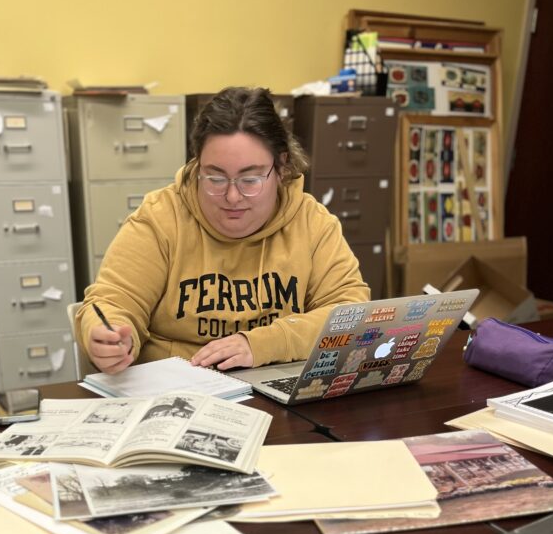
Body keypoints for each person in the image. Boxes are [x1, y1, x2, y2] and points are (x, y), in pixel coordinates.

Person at [76, 86, 370, 374]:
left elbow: (351, 313)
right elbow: (112, 302)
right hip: (178, 389)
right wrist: (106, 335)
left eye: (250, 179)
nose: (232, 197)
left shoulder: (312, 223)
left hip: (275, 390)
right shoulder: (159, 219)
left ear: (281, 167)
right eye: (215, 178)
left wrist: (265, 343)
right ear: (198, 165)